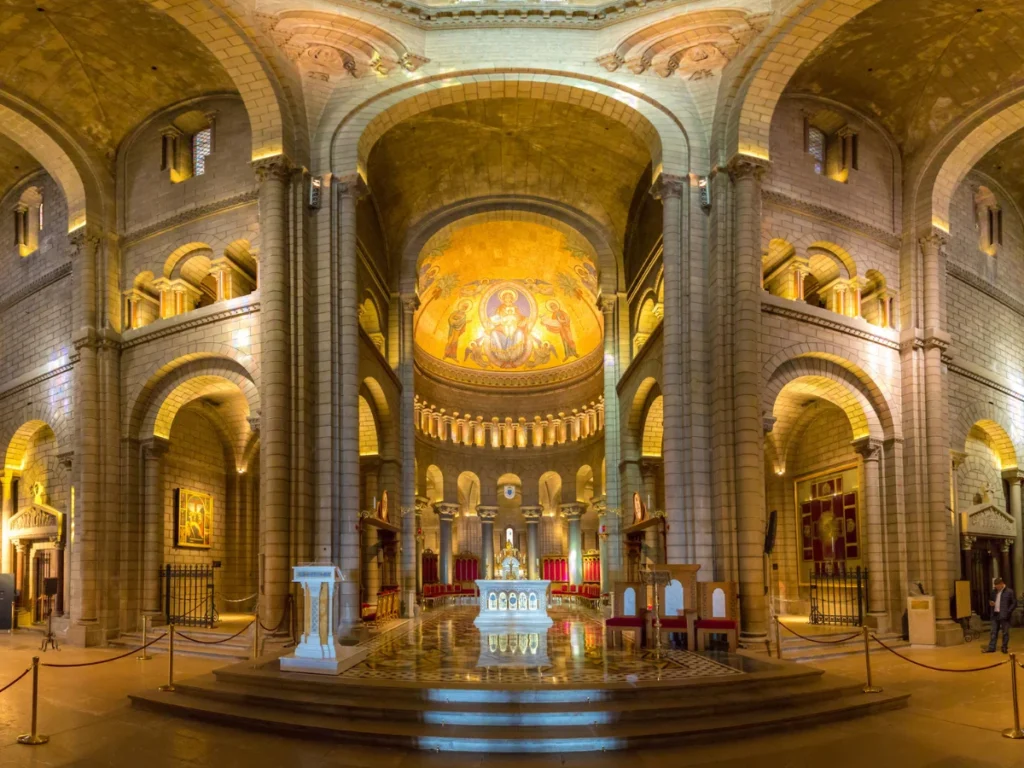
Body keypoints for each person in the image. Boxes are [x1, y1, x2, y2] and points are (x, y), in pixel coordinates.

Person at [982, 577, 1017, 654]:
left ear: (1001, 584)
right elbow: (991, 600)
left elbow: (1014, 603)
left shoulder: (1009, 592)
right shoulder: (994, 592)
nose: (996, 587)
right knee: (993, 632)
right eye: (995, 586)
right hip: (995, 614)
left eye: (997, 585)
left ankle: (1004, 647)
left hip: (1005, 615)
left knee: (1005, 632)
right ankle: (991, 647)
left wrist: (1008, 611)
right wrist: (991, 602)